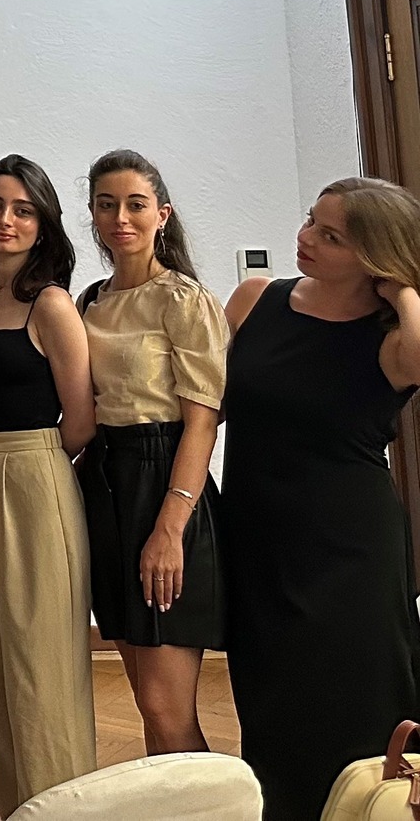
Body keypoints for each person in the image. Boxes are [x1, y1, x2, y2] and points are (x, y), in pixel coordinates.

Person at [221, 178, 420, 820]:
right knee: (273, 710)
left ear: (374, 258)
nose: (305, 238)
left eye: (330, 236)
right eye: (312, 220)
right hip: (258, 542)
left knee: (361, 712)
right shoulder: (256, 298)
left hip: (352, 556)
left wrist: (404, 289)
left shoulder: (393, 340)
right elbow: (199, 402)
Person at [0, 156, 96, 814]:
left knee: (42, 666)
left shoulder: (51, 304)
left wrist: (28, 469)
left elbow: (80, 421)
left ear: (43, 224)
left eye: (24, 210)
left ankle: (59, 806)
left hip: (34, 477)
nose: (6, 219)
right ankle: (7, 802)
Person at [78, 149, 228, 756]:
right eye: (106, 204)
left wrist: (170, 528)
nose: (121, 218)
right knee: (147, 702)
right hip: (106, 486)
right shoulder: (89, 299)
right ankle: (174, 800)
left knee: (168, 707)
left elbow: (202, 423)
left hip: (166, 484)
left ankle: (217, 800)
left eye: (135, 204)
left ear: (161, 214)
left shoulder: (184, 299)